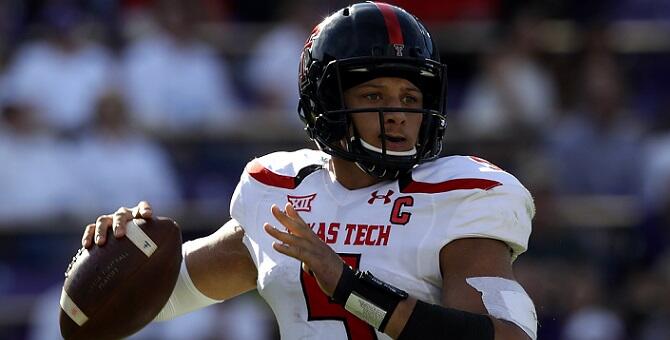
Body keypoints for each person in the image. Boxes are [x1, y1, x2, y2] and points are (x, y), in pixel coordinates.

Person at [78, 3, 537, 339]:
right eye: (375, 96)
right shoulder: (281, 192)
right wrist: (120, 251)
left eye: (411, 98)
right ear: (326, 102)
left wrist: (351, 288)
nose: (397, 113)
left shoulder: (461, 194)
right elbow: (151, 298)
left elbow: (506, 339)